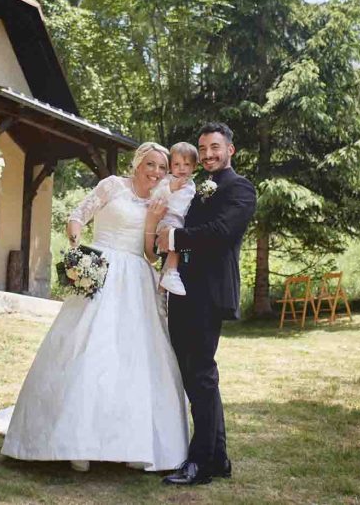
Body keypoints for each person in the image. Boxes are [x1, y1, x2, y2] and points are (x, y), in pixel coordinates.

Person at [0, 142, 188, 472]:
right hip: (98, 268)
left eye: (162, 168)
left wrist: (153, 220)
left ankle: (130, 442)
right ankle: (73, 441)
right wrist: (75, 240)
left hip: (135, 280)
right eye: (151, 164)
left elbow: (151, 256)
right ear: (137, 164)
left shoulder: (160, 201)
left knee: (133, 356)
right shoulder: (112, 185)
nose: (156, 172)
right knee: (85, 347)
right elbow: (78, 215)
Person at [152, 122, 257, 486]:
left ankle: (199, 463)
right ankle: (218, 457)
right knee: (196, 375)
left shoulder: (240, 188)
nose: (209, 154)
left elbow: (221, 233)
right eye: (204, 148)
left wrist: (173, 239)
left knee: (200, 374)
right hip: (183, 290)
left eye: (215, 147)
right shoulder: (197, 188)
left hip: (208, 292)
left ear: (230, 150)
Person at [151, 142, 197, 296]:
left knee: (178, 242)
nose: (181, 168)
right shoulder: (167, 181)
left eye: (186, 164)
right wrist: (170, 188)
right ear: (170, 166)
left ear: (194, 167)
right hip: (166, 219)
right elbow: (154, 196)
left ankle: (162, 288)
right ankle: (171, 272)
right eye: (177, 164)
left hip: (180, 222)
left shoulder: (192, 185)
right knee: (175, 239)